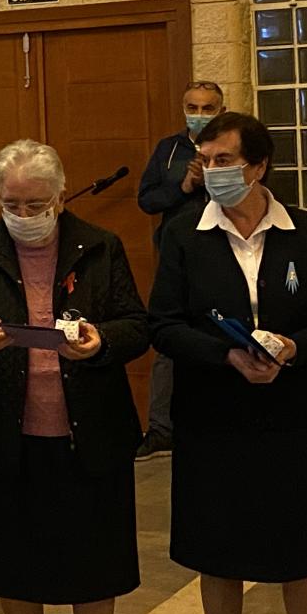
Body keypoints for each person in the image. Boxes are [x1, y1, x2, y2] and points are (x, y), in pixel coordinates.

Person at [149, 112, 307, 614]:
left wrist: (293, 347)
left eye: (225, 160)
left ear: (259, 166)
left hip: (294, 418)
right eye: (206, 160)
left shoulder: (304, 232)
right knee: (218, 554)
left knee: (302, 553)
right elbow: (164, 325)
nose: (212, 171)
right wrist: (226, 355)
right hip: (213, 419)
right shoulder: (183, 234)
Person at [0, 140, 149, 614]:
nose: (22, 215)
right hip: (7, 432)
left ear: (60, 196)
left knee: (96, 559)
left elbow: (137, 325)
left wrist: (100, 342)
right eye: (10, 204)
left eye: (35, 204)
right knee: (13, 562)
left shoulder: (100, 246)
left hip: (91, 429)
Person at [135, 79, 226, 460]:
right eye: (193, 107)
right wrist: (185, 187)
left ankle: (218, 423)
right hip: (176, 257)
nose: (199, 115)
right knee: (169, 339)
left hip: (224, 254)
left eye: (208, 108)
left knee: (223, 335)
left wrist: (213, 181)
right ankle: (161, 429)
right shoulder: (168, 149)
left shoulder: (233, 147)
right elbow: (147, 200)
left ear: (221, 111)